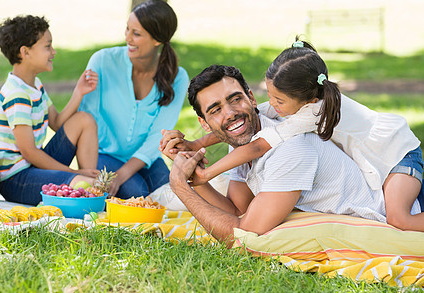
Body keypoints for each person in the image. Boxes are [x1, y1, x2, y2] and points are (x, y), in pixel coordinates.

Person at [162, 40, 424, 232]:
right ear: (204, 123)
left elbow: (244, 234)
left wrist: (189, 182)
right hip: (378, 157)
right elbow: (238, 210)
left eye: (235, 99)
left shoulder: (296, 133)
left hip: (398, 153)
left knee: (400, 218)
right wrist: (194, 152)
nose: (230, 114)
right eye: (215, 110)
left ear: (250, 98)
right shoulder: (268, 117)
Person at [79, 0, 189, 199]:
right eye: (127, 29)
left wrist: (121, 175)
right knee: (137, 193)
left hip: (145, 156)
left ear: (157, 40)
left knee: (170, 194)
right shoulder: (102, 61)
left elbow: (159, 134)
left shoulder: (178, 77)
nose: (127, 38)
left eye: (136, 33)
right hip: (103, 153)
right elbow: (86, 118)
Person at [0, 15, 99, 205]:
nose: (54, 51)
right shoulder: (17, 94)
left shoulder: (34, 85)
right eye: (47, 46)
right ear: (25, 52)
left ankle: (90, 184)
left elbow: (57, 123)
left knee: (84, 120)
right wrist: (74, 173)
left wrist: (78, 92)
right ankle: (86, 186)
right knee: (82, 183)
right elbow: (29, 152)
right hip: (16, 179)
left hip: (33, 166)